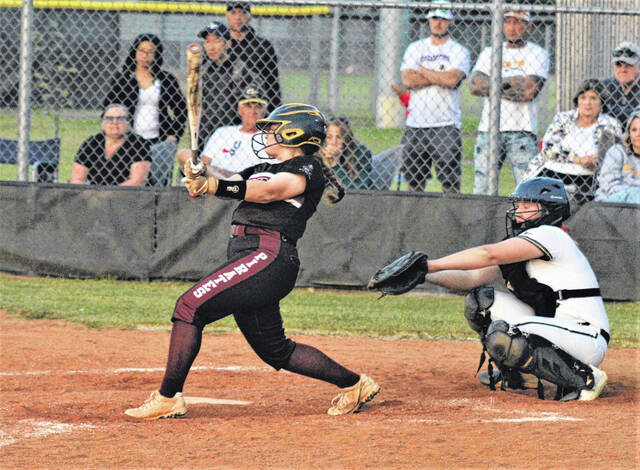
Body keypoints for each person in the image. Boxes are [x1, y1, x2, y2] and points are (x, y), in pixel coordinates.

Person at [124, 103, 380, 420]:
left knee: (190, 307)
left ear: (294, 132)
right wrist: (199, 177)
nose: (266, 133)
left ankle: (167, 397)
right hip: (250, 255)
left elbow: (270, 192)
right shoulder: (262, 167)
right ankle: (355, 384)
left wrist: (215, 184)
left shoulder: (307, 168)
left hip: (268, 254)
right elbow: (231, 183)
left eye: (273, 128)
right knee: (275, 349)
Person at [422, 177, 609, 401]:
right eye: (518, 205)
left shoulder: (551, 234)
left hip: (585, 337)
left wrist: (430, 264)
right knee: (481, 302)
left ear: (550, 210)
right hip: (557, 331)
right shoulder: (527, 244)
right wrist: (423, 274)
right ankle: (522, 375)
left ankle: (586, 377)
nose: (519, 211)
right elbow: (471, 277)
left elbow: (488, 254)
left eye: (528, 206)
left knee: (507, 333)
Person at [470, 10, 550, 194]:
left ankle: (525, 223)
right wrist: (512, 82)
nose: (512, 27)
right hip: (488, 129)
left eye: (518, 22)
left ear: (528, 25)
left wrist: (493, 83)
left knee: (527, 189)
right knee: (482, 189)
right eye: (508, 21)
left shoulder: (538, 53)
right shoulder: (490, 52)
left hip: (522, 129)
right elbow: (474, 86)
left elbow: (529, 91)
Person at [400, 2, 471, 193]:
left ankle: (451, 219)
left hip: (446, 124)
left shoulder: (459, 50)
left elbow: (452, 80)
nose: (438, 23)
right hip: (416, 124)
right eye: (434, 18)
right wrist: (439, 76)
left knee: (450, 183)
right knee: (414, 182)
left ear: (451, 21)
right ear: (428, 19)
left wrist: (422, 71)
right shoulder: (415, 48)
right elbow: (407, 80)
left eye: (443, 19)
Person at [103, 33, 186, 186]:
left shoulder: (166, 80)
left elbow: (181, 110)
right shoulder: (123, 78)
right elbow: (108, 108)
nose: (145, 56)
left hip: (158, 140)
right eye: (141, 51)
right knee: (131, 180)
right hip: (129, 140)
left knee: (157, 182)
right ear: (134, 52)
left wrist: (173, 135)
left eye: (150, 52)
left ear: (157, 54)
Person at [522, 79, 622, 204]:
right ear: (577, 100)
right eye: (583, 97)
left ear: (602, 102)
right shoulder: (563, 119)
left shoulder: (610, 124)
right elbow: (548, 150)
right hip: (554, 171)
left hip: (589, 177)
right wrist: (577, 160)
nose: (587, 103)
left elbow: (614, 156)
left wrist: (596, 163)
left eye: (593, 98)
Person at [176, 85, 273, 178]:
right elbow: (204, 163)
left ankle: (227, 184)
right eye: (248, 105)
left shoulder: (268, 138)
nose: (253, 111)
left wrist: (231, 174)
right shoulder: (222, 132)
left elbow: (264, 174)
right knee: (184, 154)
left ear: (264, 111)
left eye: (258, 106)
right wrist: (215, 172)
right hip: (214, 178)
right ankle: (224, 183)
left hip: (244, 183)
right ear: (240, 110)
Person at [197, 21, 253, 152]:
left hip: (231, 132)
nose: (211, 47)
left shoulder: (239, 70)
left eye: (216, 41)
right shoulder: (202, 70)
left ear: (228, 44)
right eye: (207, 42)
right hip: (204, 132)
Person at [70, 104, 151, 186]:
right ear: (103, 123)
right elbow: (77, 179)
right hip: (94, 195)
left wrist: (107, 195)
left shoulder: (138, 144)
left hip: (128, 195)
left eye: (120, 119)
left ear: (128, 123)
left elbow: (137, 181)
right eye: (109, 118)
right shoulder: (92, 142)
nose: (114, 122)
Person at [225, 2, 282, 113]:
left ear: (250, 16)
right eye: (233, 12)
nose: (238, 17)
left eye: (243, 12)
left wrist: (275, 112)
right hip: (227, 109)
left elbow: (272, 83)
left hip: (255, 108)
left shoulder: (263, 46)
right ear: (227, 15)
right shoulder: (220, 45)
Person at [596, 110, 640, 203]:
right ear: (629, 133)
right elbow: (608, 185)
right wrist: (632, 194)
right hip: (613, 204)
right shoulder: (617, 151)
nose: (638, 134)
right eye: (634, 130)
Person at [319, 116, 373, 189]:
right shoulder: (317, 152)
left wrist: (335, 164)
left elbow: (360, 190)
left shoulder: (361, 152)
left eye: (339, 137)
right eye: (329, 137)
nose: (333, 142)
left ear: (346, 139)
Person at [601, 42, 640, 126]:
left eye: (629, 65)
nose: (623, 69)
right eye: (618, 64)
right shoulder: (604, 86)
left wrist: (609, 112)